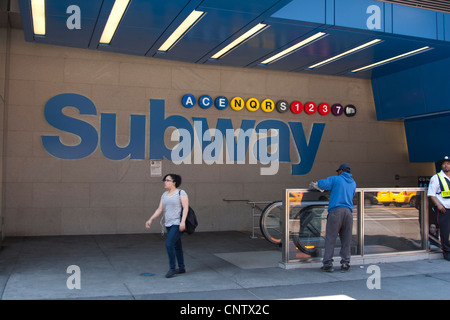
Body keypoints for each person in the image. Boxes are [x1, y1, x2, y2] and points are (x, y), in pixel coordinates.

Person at [311, 164, 356, 272]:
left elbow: (322, 184)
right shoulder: (353, 183)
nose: (337, 173)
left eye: (338, 171)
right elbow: (352, 195)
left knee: (331, 239)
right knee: (346, 240)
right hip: (348, 213)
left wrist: (316, 184)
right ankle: (345, 263)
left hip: (336, 211)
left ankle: (328, 264)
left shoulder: (336, 179)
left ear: (341, 171)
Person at [146, 174, 189, 277]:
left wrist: (183, 222)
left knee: (169, 244)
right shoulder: (164, 194)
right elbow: (160, 209)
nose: (165, 182)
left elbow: (186, 208)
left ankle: (172, 268)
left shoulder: (181, 192)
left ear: (174, 182)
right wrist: (151, 219)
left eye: (167, 180)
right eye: (165, 180)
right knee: (177, 246)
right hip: (168, 224)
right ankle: (182, 267)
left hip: (177, 223)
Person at [427, 156, 450, 260]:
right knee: (445, 232)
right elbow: (431, 194)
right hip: (443, 209)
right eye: (444, 164)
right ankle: (447, 253)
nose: (446, 165)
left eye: (448, 163)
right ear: (441, 166)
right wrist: (438, 205)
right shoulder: (436, 178)